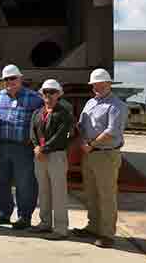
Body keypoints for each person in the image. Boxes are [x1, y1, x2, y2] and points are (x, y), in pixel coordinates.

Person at [73, 68, 129, 248]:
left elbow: (112, 132)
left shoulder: (117, 106)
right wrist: (82, 141)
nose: (96, 87)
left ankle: (107, 234)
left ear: (109, 84)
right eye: (94, 84)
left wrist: (91, 145)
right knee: (91, 193)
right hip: (89, 154)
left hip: (105, 154)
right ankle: (93, 226)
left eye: (100, 84)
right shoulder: (90, 103)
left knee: (106, 195)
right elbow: (81, 125)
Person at [0, 64, 44, 229]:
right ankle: (4, 213)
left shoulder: (34, 98)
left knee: (25, 183)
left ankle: (24, 216)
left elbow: (43, 122)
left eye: (13, 78)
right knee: (1, 181)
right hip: (1, 146)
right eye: (6, 79)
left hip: (23, 148)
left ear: (20, 79)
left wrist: (39, 144)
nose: (9, 81)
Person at [30, 79, 73, 240]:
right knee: (44, 191)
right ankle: (45, 223)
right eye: (45, 92)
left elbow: (61, 136)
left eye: (52, 92)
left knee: (58, 193)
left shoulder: (64, 114)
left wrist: (43, 148)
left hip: (55, 156)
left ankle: (61, 228)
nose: (48, 95)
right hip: (39, 155)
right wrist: (36, 146)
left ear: (58, 94)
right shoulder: (38, 113)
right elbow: (32, 131)